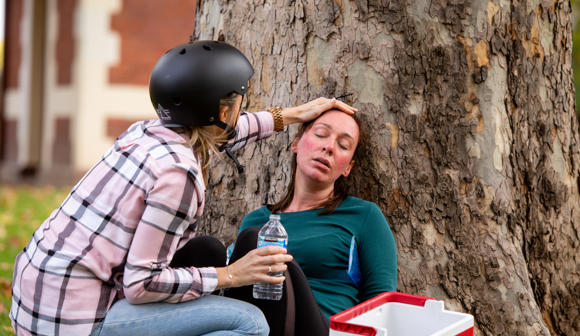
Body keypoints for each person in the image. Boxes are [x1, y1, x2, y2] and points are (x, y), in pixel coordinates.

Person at [9, 40, 357, 336]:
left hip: (38, 300)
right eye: (236, 101)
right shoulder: (179, 175)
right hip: (77, 321)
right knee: (251, 323)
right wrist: (233, 274)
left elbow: (223, 131)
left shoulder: (145, 132)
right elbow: (141, 284)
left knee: (203, 251)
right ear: (219, 110)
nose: (240, 107)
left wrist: (291, 116)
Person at [225, 110, 397, 336]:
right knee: (240, 242)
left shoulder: (364, 216)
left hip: (325, 330)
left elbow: (382, 304)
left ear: (347, 168)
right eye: (320, 134)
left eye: (343, 145)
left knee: (259, 247)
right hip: (255, 326)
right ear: (296, 143)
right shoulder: (257, 220)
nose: (329, 147)